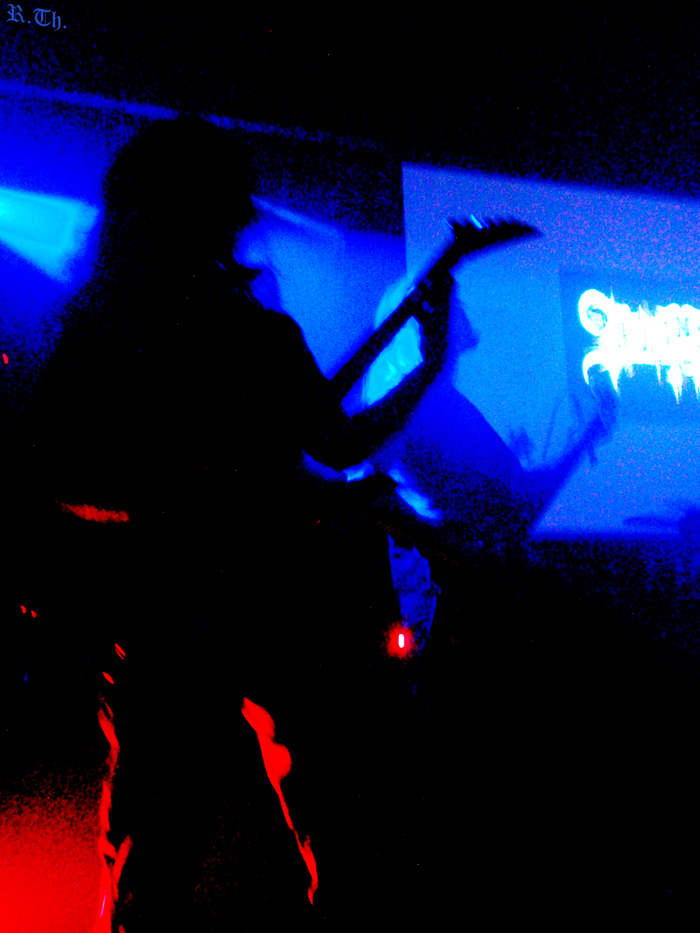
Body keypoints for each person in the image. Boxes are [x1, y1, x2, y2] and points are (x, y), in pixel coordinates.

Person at [5, 115, 423, 930]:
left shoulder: (97, 328)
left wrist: (163, 512)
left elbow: (51, 474)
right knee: (327, 840)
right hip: (254, 608)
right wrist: (427, 367)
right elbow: (338, 446)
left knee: (153, 862)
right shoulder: (254, 334)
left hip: (165, 615)